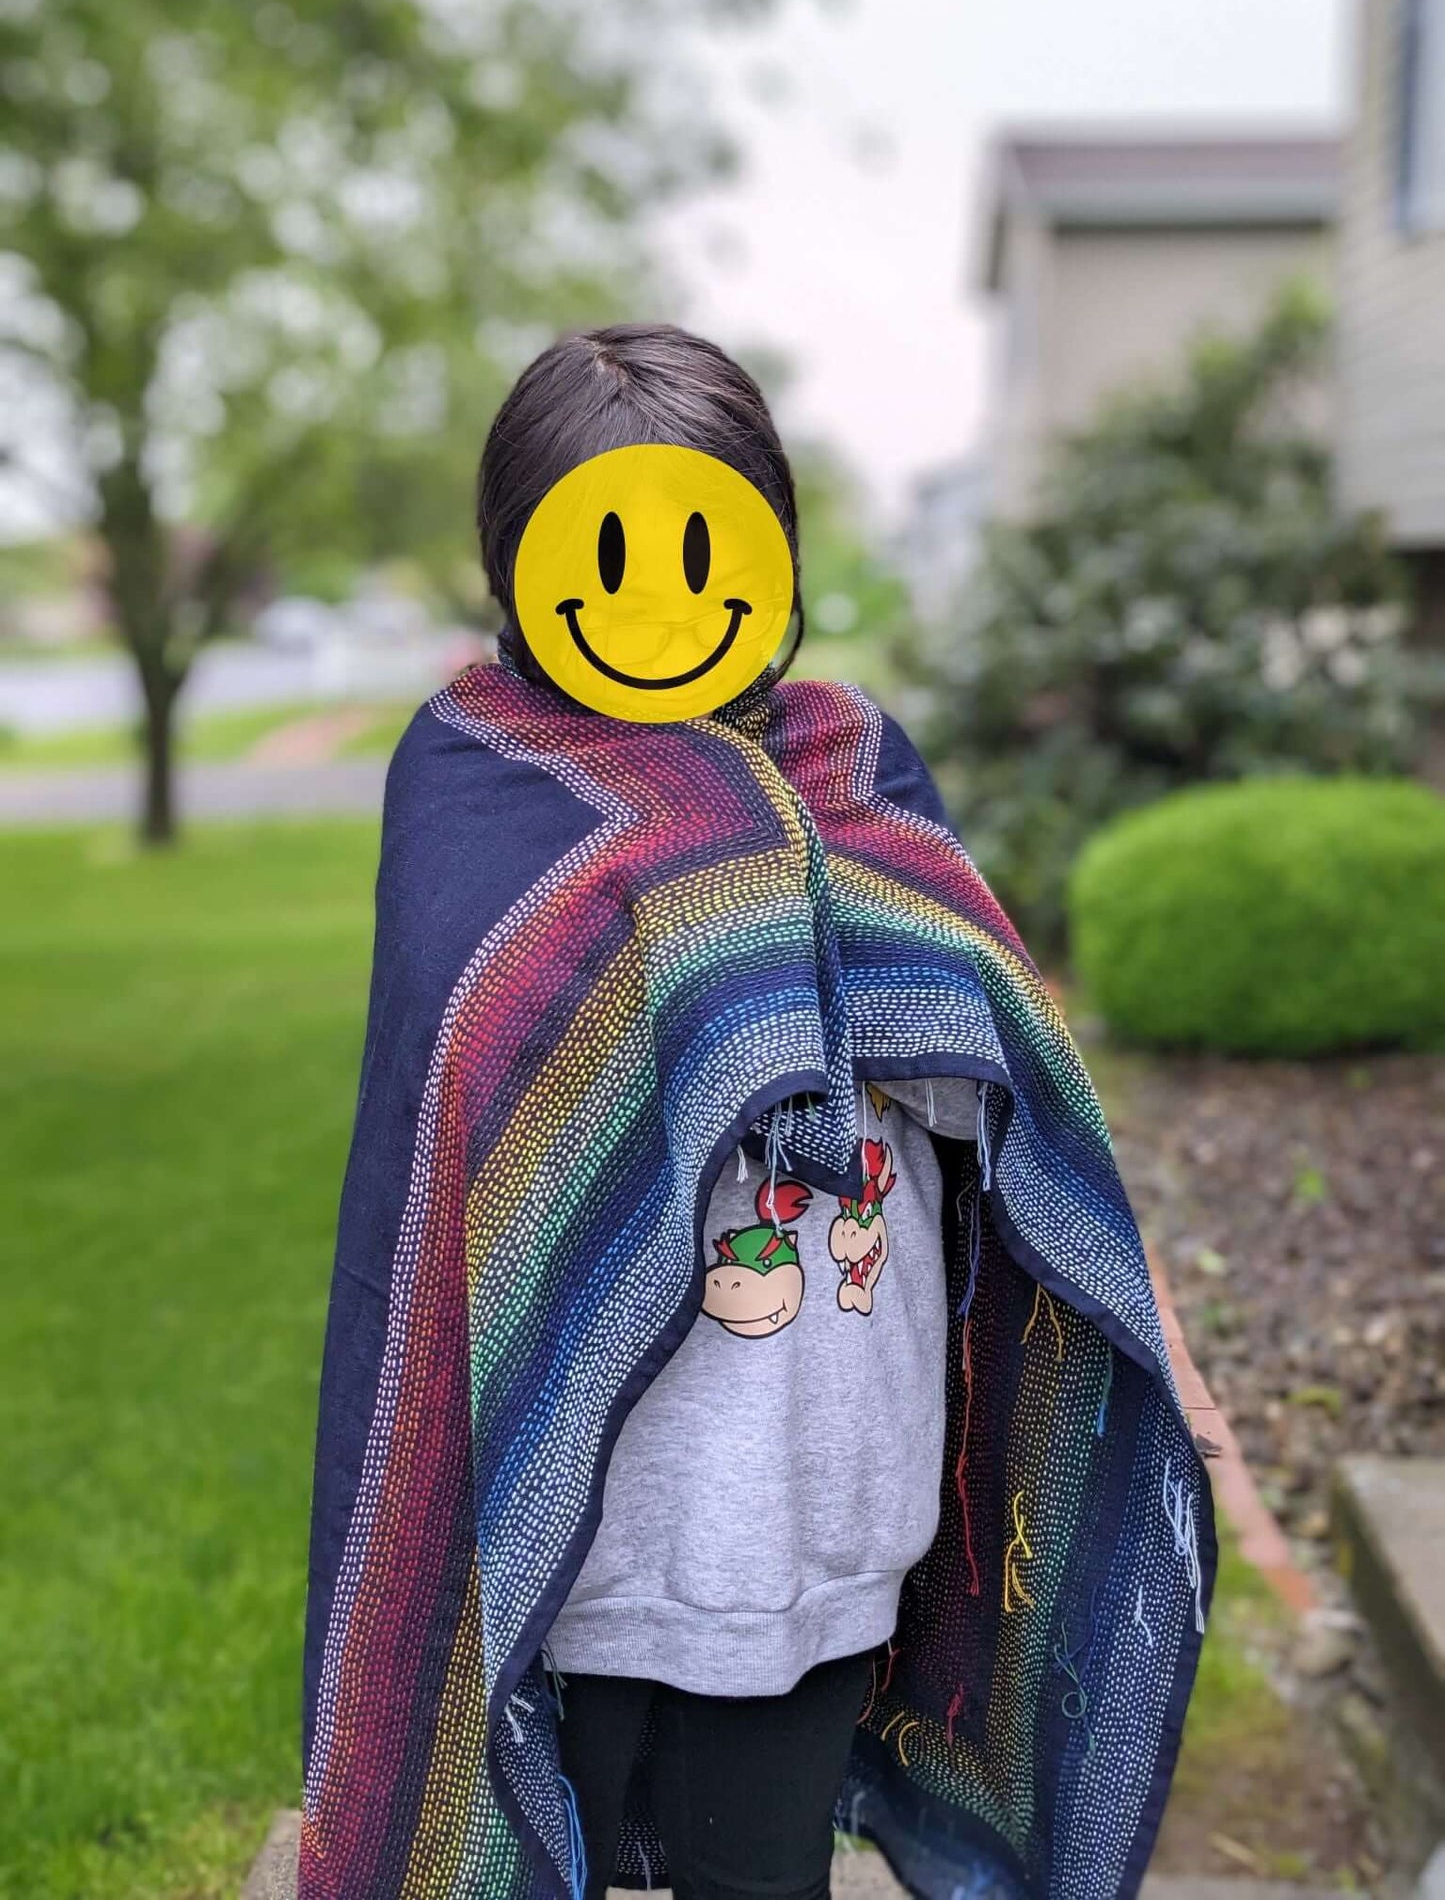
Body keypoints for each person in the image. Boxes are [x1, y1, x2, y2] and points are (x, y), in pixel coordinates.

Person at [300, 325, 1214, 1900]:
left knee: (763, 1874)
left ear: (772, 554)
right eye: (597, 548)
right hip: (585, 1514)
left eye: (709, 539)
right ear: (511, 564)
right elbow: (454, 1139)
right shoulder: (471, 776)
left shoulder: (853, 765)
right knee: (516, 1854)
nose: (658, 592)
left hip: (818, 1497)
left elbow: (1005, 1104)